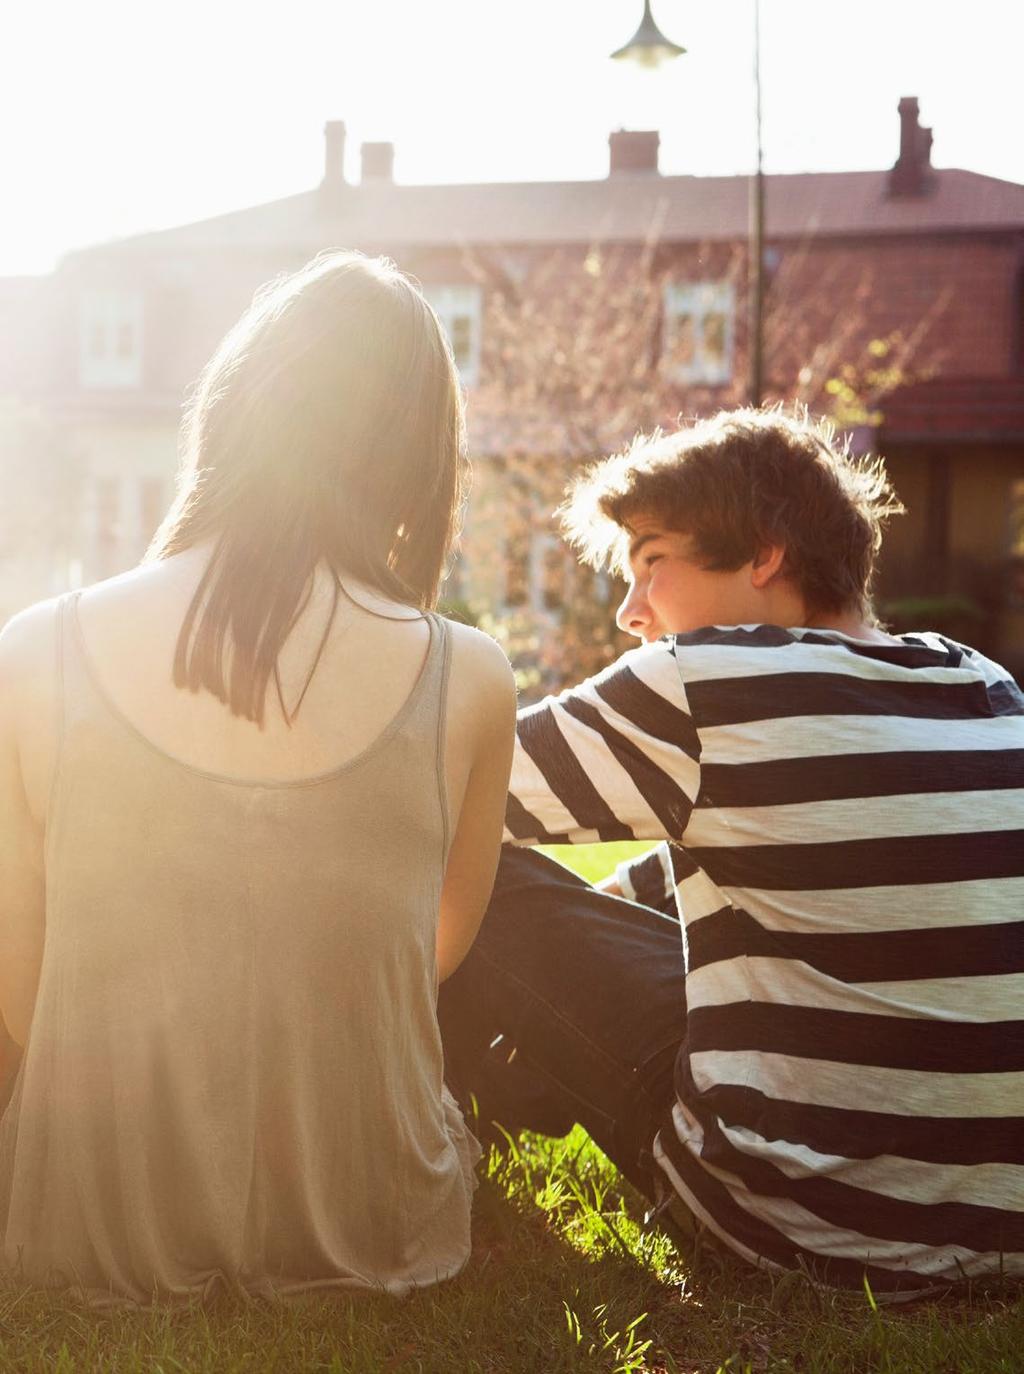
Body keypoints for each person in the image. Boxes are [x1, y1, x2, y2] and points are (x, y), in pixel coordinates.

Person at [0, 251, 516, 1304]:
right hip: (374, 1223)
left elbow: (19, 995)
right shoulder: (469, 674)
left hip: (91, 1223)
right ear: (420, 453)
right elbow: (431, 957)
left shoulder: (32, 653)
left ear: (230, 412)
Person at [439, 408, 1024, 1297]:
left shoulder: (707, 683)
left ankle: (440, 1128)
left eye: (651, 563)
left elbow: (444, 792)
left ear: (763, 552)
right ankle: (519, 1090)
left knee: (483, 872)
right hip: (998, 1226)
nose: (632, 614)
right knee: (648, 895)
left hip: (796, 1219)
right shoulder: (982, 685)